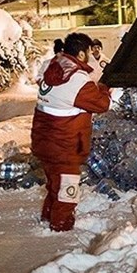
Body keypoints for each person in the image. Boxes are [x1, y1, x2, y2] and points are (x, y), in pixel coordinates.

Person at [31, 32, 111, 232]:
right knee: (67, 189)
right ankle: (60, 227)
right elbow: (102, 104)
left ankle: (47, 218)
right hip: (65, 144)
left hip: (44, 140)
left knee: (54, 184)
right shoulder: (77, 79)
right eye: (88, 52)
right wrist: (105, 89)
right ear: (82, 53)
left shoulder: (53, 68)